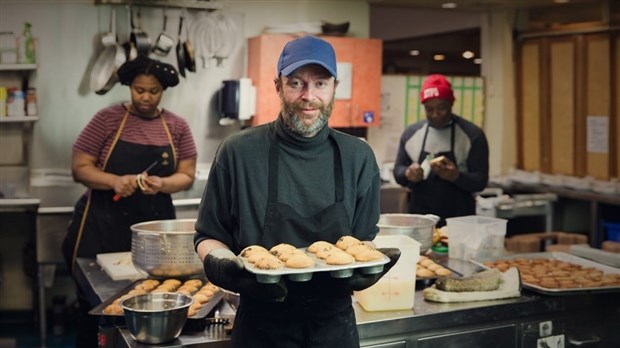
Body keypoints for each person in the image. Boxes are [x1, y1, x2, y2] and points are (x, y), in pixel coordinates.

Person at [194, 35, 400, 348]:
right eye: (296, 83)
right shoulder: (238, 152)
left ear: (334, 87)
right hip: (261, 326)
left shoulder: (358, 157)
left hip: (335, 327)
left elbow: (362, 242)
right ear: (277, 87)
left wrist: (367, 269)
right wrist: (221, 264)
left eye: (320, 83)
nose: (309, 96)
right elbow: (207, 236)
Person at [62, 56, 197, 348]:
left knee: (151, 304)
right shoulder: (107, 119)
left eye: (153, 91)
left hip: (153, 230)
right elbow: (80, 167)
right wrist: (114, 181)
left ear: (163, 91)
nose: (145, 97)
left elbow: (187, 174)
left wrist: (163, 184)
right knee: (96, 311)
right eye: (138, 90)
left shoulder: (177, 126)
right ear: (129, 87)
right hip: (102, 226)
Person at [393, 74, 489, 226]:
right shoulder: (411, 134)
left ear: (451, 103)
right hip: (420, 219)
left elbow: (480, 181)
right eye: (429, 109)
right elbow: (398, 171)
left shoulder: (472, 135)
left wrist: (456, 176)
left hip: (460, 220)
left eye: (441, 108)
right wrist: (408, 173)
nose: (435, 114)